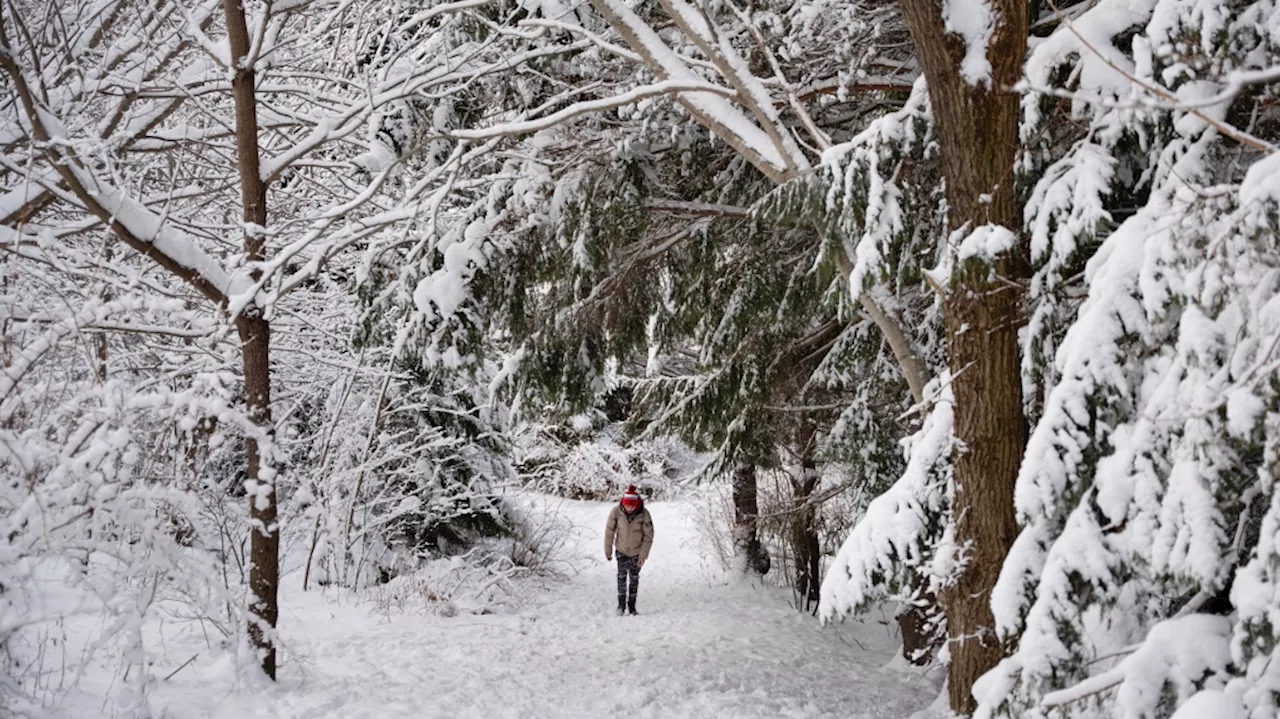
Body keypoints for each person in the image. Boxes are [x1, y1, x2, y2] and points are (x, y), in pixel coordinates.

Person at [604, 485, 654, 616]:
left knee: (634, 578)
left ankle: (632, 605)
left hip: (637, 552)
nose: (629, 508)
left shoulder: (644, 514)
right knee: (621, 577)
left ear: (637, 505)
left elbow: (648, 536)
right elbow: (609, 531)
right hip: (621, 550)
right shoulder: (616, 512)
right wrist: (608, 550)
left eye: (632, 506)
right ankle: (621, 605)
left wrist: (643, 555)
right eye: (627, 506)